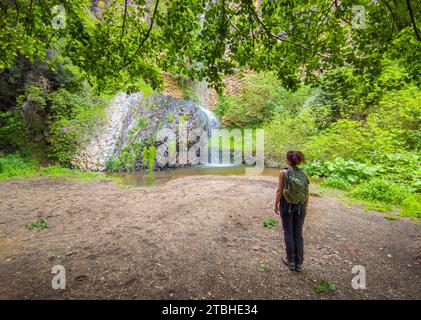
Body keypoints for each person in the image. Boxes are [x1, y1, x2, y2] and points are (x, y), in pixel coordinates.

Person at [274, 151, 309, 272]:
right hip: (300, 206)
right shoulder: (304, 174)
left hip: (287, 205)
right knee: (298, 233)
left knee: (288, 232)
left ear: (288, 161)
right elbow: (306, 192)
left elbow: (280, 190)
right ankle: (299, 263)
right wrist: (305, 206)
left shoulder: (283, 173)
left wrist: (276, 204)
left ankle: (290, 261)